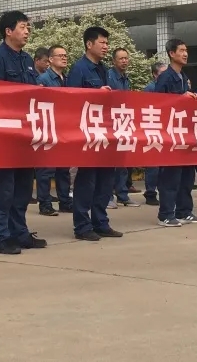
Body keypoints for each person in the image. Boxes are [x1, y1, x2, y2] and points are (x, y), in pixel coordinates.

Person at [0, 11, 45, 255]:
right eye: (22, 27)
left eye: (28, 27)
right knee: (3, 189)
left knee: (22, 188)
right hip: (5, 134)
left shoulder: (27, 59)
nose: (27, 31)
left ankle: (19, 232)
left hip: (25, 134)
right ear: (8, 31)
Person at [67, 26, 122, 241]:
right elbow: (70, 100)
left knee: (105, 180)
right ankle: (82, 226)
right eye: (102, 43)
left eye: (107, 43)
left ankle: (101, 222)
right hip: (88, 133)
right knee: (87, 181)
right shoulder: (79, 69)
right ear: (89, 44)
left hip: (104, 132)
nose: (106, 47)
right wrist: (95, 94)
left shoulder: (103, 69)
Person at [151, 39, 197, 227]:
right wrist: (180, 98)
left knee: (186, 177)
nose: (185, 54)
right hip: (171, 135)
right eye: (181, 50)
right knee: (171, 177)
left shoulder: (183, 76)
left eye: (186, 50)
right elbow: (159, 104)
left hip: (184, 134)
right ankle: (166, 214)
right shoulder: (165, 77)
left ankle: (184, 211)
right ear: (171, 53)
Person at [35, 45, 72, 216]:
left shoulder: (66, 79)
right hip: (48, 127)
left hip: (63, 128)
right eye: (60, 55)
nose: (64, 58)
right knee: (46, 169)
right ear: (50, 59)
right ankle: (45, 204)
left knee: (63, 168)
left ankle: (65, 202)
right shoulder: (43, 79)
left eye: (65, 55)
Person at [106, 48, 140, 209]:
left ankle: (122, 194)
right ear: (114, 61)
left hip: (123, 122)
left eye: (126, 58)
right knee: (110, 163)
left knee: (122, 162)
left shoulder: (126, 78)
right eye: (121, 59)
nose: (124, 61)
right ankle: (108, 196)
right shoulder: (109, 76)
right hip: (110, 123)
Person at [142, 62, 167, 206]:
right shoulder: (150, 89)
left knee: (163, 165)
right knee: (153, 164)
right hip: (152, 129)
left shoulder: (166, 87)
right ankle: (150, 193)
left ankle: (161, 191)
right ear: (154, 74)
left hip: (164, 129)